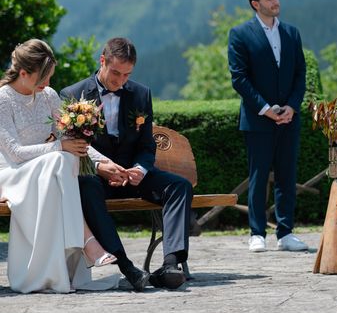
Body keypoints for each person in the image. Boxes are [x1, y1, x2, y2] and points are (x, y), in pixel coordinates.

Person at [61, 37, 193, 291]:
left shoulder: (141, 94)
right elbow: (75, 148)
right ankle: (127, 268)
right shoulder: (71, 95)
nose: (120, 80)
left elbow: (146, 146)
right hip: (97, 178)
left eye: (127, 75)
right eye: (115, 73)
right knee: (85, 187)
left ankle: (171, 264)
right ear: (102, 61)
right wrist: (101, 168)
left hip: (133, 175)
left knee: (179, 186)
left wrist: (140, 170)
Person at [0, 39, 119, 293]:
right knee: (59, 158)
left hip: (48, 171)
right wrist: (58, 148)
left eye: (50, 78)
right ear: (23, 73)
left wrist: (103, 162)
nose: (47, 85)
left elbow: (71, 142)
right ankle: (87, 242)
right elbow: (15, 153)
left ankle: (81, 246)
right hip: (12, 172)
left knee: (61, 160)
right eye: (42, 79)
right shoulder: (3, 100)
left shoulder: (48, 96)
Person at [228, 0, 308, 253]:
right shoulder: (240, 34)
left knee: (287, 175)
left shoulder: (292, 33)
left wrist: (292, 107)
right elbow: (239, 79)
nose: (276, 2)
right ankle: (257, 233)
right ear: (256, 4)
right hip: (257, 119)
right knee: (258, 176)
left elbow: (300, 74)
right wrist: (266, 109)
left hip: (289, 117)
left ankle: (285, 233)